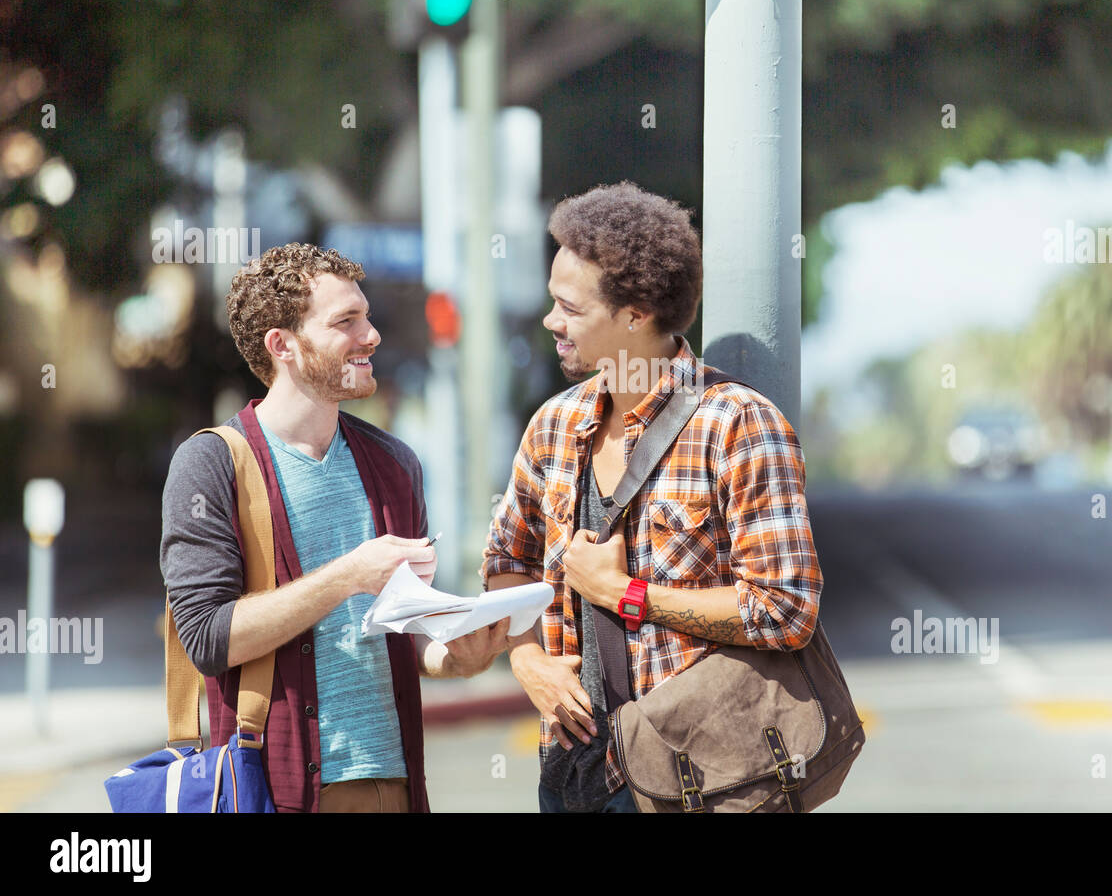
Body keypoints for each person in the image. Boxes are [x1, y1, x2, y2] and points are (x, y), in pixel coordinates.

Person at [482, 182, 823, 812]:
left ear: (635, 314)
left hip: (698, 777)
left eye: (570, 307)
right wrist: (527, 659)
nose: (551, 321)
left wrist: (623, 595)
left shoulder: (738, 424)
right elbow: (506, 561)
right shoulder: (553, 425)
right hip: (572, 770)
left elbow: (786, 610)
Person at [162, 242, 507, 813]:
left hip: (395, 788)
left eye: (366, 317)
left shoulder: (395, 464)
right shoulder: (212, 464)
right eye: (346, 321)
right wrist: (348, 574)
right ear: (284, 346)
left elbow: (400, 633)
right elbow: (208, 638)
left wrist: (454, 659)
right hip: (276, 790)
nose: (370, 335)